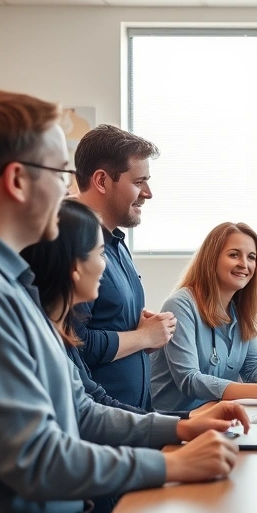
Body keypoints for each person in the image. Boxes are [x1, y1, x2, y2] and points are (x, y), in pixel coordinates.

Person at [0, 89, 243, 513]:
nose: (71, 189)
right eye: (61, 172)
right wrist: (172, 464)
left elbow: (80, 412)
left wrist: (181, 428)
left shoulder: (5, 280)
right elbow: (36, 459)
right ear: (17, 181)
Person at [20, 199, 247, 513]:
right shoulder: (31, 337)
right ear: (75, 268)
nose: (105, 266)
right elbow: (52, 452)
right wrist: (171, 463)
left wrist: (184, 425)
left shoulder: (57, 334)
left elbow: (90, 407)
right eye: (99, 254)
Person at [72, 125, 175, 411]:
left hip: (134, 418)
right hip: (102, 424)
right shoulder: (73, 246)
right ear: (102, 181)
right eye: (139, 181)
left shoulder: (116, 240)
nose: (148, 193)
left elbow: (107, 318)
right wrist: (142, 337)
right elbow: (73, 342)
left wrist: (143, 330)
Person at [151, 223, 257, 411]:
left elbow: (253, 365)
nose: (244, 264)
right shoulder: (180, 305)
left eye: (251, 257)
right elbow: (189, 379)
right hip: (177, 422)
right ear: (212, 259)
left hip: (219, 416)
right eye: (234, 255)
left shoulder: (240, 309)